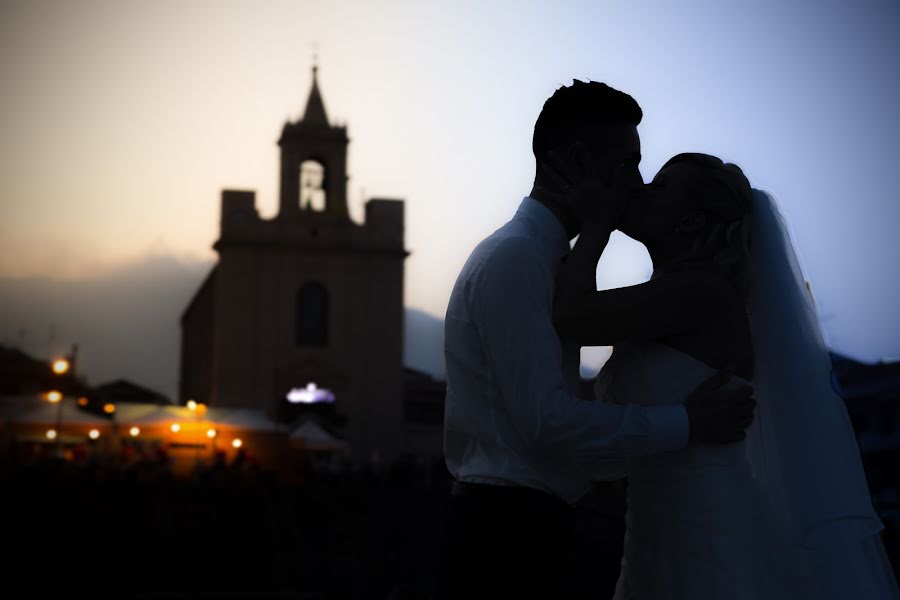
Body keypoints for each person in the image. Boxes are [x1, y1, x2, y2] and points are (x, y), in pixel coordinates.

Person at [438, 80, 756, 599]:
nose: (636, 182)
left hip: (532, 526)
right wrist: (687, 422)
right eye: (628, 163)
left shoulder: (544, 262)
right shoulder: (518, 259)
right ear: (581, 160)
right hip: (506, 533)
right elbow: (547, 423)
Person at [550, 151, 900, 598]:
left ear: (692, 222)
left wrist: (596, 224)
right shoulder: (668, 296)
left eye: (659, 188)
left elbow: (569, 316)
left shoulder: (701, 294)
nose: (638, 191)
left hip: (706, 534)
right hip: (652, 536)